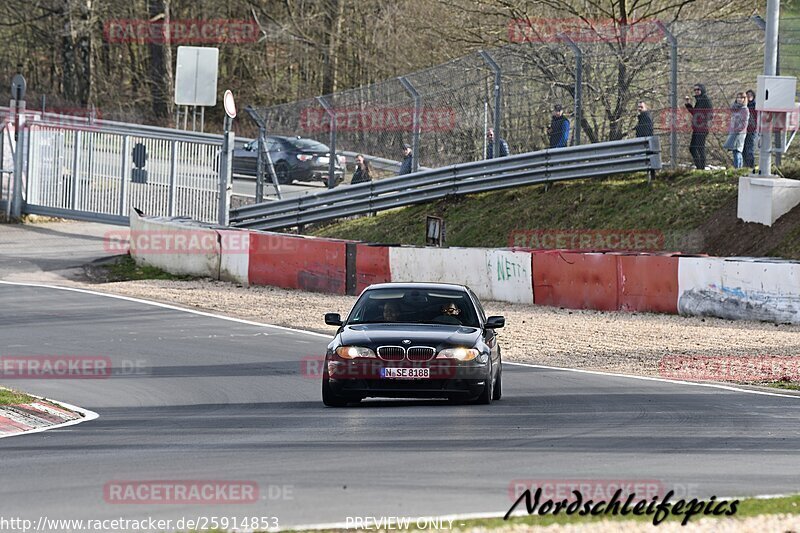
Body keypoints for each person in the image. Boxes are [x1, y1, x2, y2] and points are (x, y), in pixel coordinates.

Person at [684, 83, 713, 170]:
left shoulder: (706, 100)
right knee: (692, 148)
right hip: (696, 128)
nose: (696, 91)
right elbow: (695, 113)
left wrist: (701, 119)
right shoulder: (699, 100)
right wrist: (688, 105)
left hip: (702, 128)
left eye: (698, 89)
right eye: (695, 90)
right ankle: (699, 167)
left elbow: (710, 115)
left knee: (700, 148)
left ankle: (702, 168)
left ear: (702, 90)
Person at [723, 92, 749, 169]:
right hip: (733, 132)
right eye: (738, 97)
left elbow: (744, 122)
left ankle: (737, 168)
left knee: (737, 150)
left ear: (744, 99)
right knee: (734, 150)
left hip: (739, 133)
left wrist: (738, 130)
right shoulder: (735, 109)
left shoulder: (745, 109)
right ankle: (737, 167)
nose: (739, 99)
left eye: (741, 98)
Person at [744, 89, 757, 171]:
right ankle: (745, 166)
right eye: (747, 95)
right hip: (742, 130)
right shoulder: (743, 105)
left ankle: (750, 166)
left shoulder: (755, 105)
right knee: (743, 149)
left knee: (749, 148)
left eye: (750, 95)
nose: (749, 97)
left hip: (751, 129)